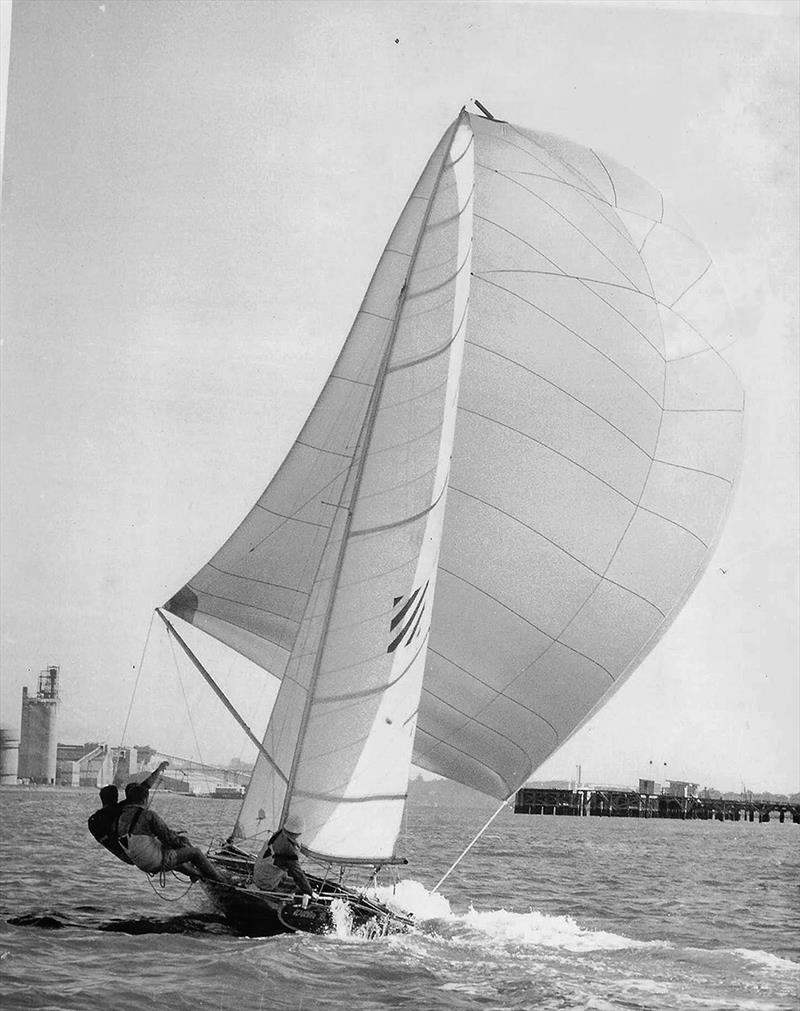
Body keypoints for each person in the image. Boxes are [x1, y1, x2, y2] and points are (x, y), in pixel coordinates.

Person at [114, 782, 227, 882]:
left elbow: (139, 835)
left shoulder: (120, 817)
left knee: (180, 851)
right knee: (195, 852)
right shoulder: (148, 815)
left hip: (141, 862)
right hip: (155, 861)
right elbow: (168, 838)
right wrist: (182, 843)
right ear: (144, 799)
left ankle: (196, 874)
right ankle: (221, 880)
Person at [88, 760, 170, 864]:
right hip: (131, 853)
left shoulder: (92, 820)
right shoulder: (119, 809)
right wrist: (158, 770)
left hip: (122, 854)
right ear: (116, 798)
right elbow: (144, 787)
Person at [263, 814, 314, 896]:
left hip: (261, 874)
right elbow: (298, 875)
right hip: (267, 882)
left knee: (293, 879)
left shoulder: (279, 833)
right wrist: (310, 892)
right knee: (299, 888)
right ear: (298, 833)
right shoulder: (289, 849)